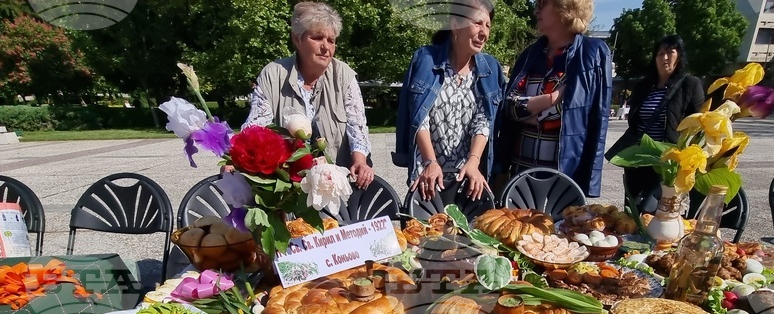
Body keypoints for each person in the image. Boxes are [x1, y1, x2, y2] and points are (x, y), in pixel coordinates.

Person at [494, 0, 612, 198]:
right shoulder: (530, 55)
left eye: (543, 4)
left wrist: (531, 113)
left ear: (565, 8)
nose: (536, 10)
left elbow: (591, 118)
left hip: (564, 175)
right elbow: (508, 106)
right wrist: (552, 98)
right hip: (521, 173)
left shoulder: (593, 54)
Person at [249, 2, 374, 188]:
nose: (326, 47)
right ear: (297, 39)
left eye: (331, 41)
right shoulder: (272, 75)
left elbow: (358, 129)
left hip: (336, 183)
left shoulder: (345, 76)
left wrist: (360, 161)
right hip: (286, 184)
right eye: (317, 38)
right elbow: (254, 129)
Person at [393, 0, 505, 201]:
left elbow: (484, 120)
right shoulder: (425, 59)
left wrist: (473, 162)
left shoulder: (490, 68)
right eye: (478, 23)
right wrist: (430, 162)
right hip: (428, 177)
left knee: (469, 231)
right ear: (455, 26)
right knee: (426, 231)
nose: (484, 32)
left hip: (468, 179)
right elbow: (420, 117)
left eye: (488, 26)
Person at [607, 35, 704, 213]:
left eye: (670, 52)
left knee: (658, 209)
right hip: (639, 157)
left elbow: (697, 123)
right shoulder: (644, 85)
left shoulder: (690, 84)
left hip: (666, 160)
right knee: (633, 208)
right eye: (660, 53)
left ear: (679, 55)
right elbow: (635, 120)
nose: (664, 58)